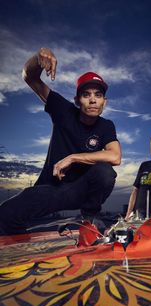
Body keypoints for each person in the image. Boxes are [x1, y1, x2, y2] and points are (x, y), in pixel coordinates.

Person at [0, 48, 121, 235]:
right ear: (77, 100)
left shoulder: (106, 126)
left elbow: (115, 156)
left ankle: (89, 218)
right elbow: (29, 77)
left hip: (82, 189)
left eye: (98, 95)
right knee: (6, 214)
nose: (92, 100)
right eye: (86, 95)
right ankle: (18, 241)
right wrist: (38, 59)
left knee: (105, 171)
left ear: (105, 102)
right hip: (53, 188)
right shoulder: (63, 110)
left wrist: (72, 157)